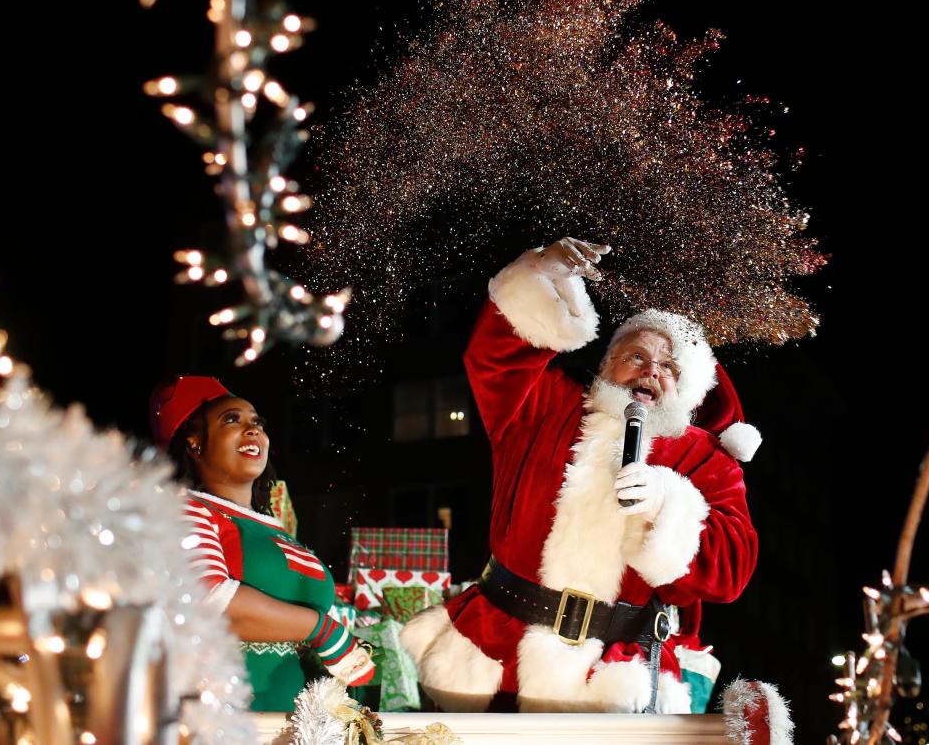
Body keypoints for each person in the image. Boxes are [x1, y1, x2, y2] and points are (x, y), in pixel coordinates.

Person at [401, 238, 761, 713]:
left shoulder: (706, 459)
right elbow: (496, 358)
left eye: (669, 367)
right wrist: (540, 279)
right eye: (635, 356)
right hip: (495, 656)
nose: (651, 371)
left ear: (687, 391)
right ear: (606, 366)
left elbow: (731, 569)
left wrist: (666, 508)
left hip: (612, 675)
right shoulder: (544, 406)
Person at [151, 376, 375, 711]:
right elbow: (209, 599)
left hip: (304, 722)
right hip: (234, 719)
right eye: (232, 420)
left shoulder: (276, 531)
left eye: (257, 422)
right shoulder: (187, 509)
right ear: (194, 443)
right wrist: (322, 631)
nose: (253, 429)